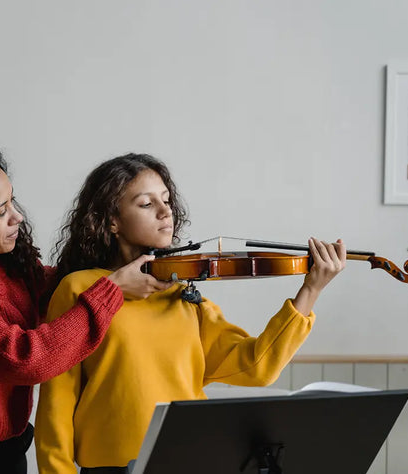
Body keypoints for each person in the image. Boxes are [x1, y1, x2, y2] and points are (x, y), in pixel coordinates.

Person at [34, 153, 347, 474]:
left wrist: (311, 290)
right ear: (111, 220)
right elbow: (55, 408)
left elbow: (258, 367)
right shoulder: (81, 289)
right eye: (146, 204)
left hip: (190, 461)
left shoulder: (184, 295)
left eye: (167, 200)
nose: (165, 211)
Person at [0, 146, 171, 474]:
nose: (18, 217)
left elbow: (69, 288)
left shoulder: (14, 271)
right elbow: (27, 359)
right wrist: (112, 289)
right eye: (1, 212)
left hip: (7, 451)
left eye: (13, 202)